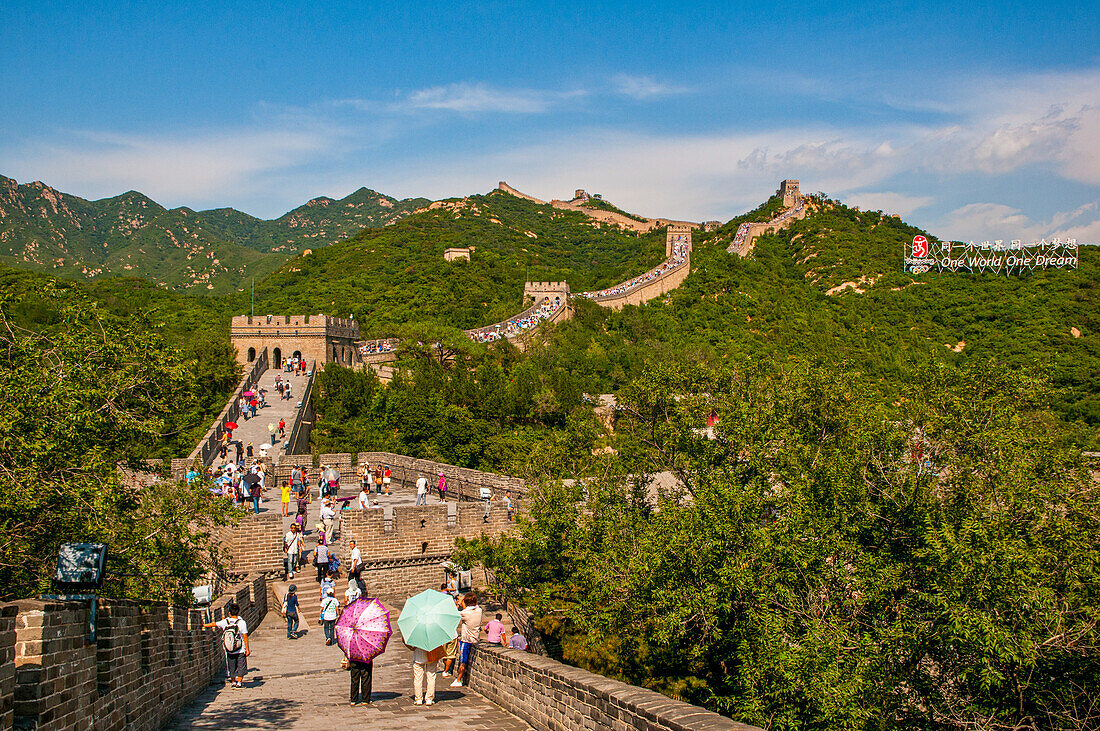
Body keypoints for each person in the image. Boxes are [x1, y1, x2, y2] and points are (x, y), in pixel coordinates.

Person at [203, 601, 250, 688]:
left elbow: (214, 624)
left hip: (229, 649)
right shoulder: (242, 622)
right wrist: (247, 649)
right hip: (240, 649)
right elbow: (245, 636)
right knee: (241, 666)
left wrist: (204, 625)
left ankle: (233, 682)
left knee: (231, 665)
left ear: (229, 613)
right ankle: (239, 682)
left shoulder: (225, 621)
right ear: (238, 612)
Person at [451, 592, 482, 687]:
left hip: (467, 640)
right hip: (476, 638)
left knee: (463, 662)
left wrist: (458, 604)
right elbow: (470, 608)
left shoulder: (464, 613)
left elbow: (454, 614)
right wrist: (464, 602)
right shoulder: (479, 610)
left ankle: (458, 679)